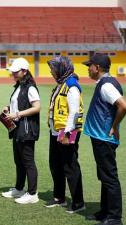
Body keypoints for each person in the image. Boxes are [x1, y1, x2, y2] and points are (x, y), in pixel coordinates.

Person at [83, 54, 126, 225]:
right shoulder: (105, 83)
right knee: (104, 176)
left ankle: (114, 217)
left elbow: (124, 106)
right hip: (100, 136)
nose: (88, 69)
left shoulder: (107, 85)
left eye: (90, 66)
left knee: (109, 177)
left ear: (97, 68)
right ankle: (105, 211)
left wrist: (115, 126)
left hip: (104, 137)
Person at [45, 56, 85, 214]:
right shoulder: (61, 84)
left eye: (53, 69)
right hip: (56, 131)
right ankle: (59, 197)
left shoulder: (71, 86)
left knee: (70, 167)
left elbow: (75, 112)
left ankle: (78, 202)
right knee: (55, 165)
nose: (51, 72)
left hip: (67, 132)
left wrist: (67, 134)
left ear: (62, 69)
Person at [0, 58, 41, 204]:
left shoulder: (30, 87)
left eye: (16, 72)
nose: (13, 74)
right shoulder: (19, 86)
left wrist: (17, 114)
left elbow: (37, 107)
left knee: (28, 161)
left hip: (27, 129)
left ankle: (32, 193)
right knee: (19, 161)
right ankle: (19, 188)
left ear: (24, 71)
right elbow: (18, 104)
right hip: (18, 128)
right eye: (12, 72)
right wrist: (8, 108)